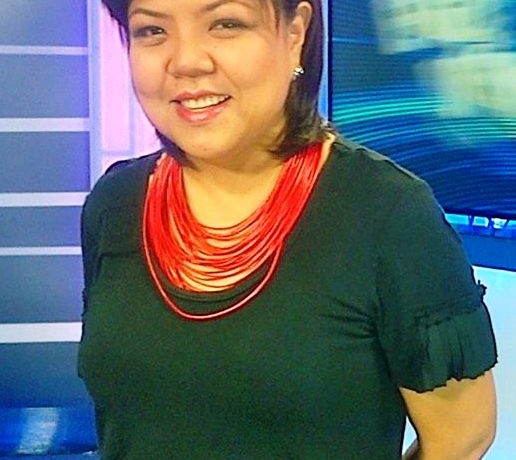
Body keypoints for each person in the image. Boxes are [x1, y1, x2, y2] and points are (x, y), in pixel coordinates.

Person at [78, 0, 498, 458]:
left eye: (225, 24)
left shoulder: (389, 214)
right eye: (152, 31)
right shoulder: (116, 203)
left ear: (295, 32)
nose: (186, 61)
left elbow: (462, 436)